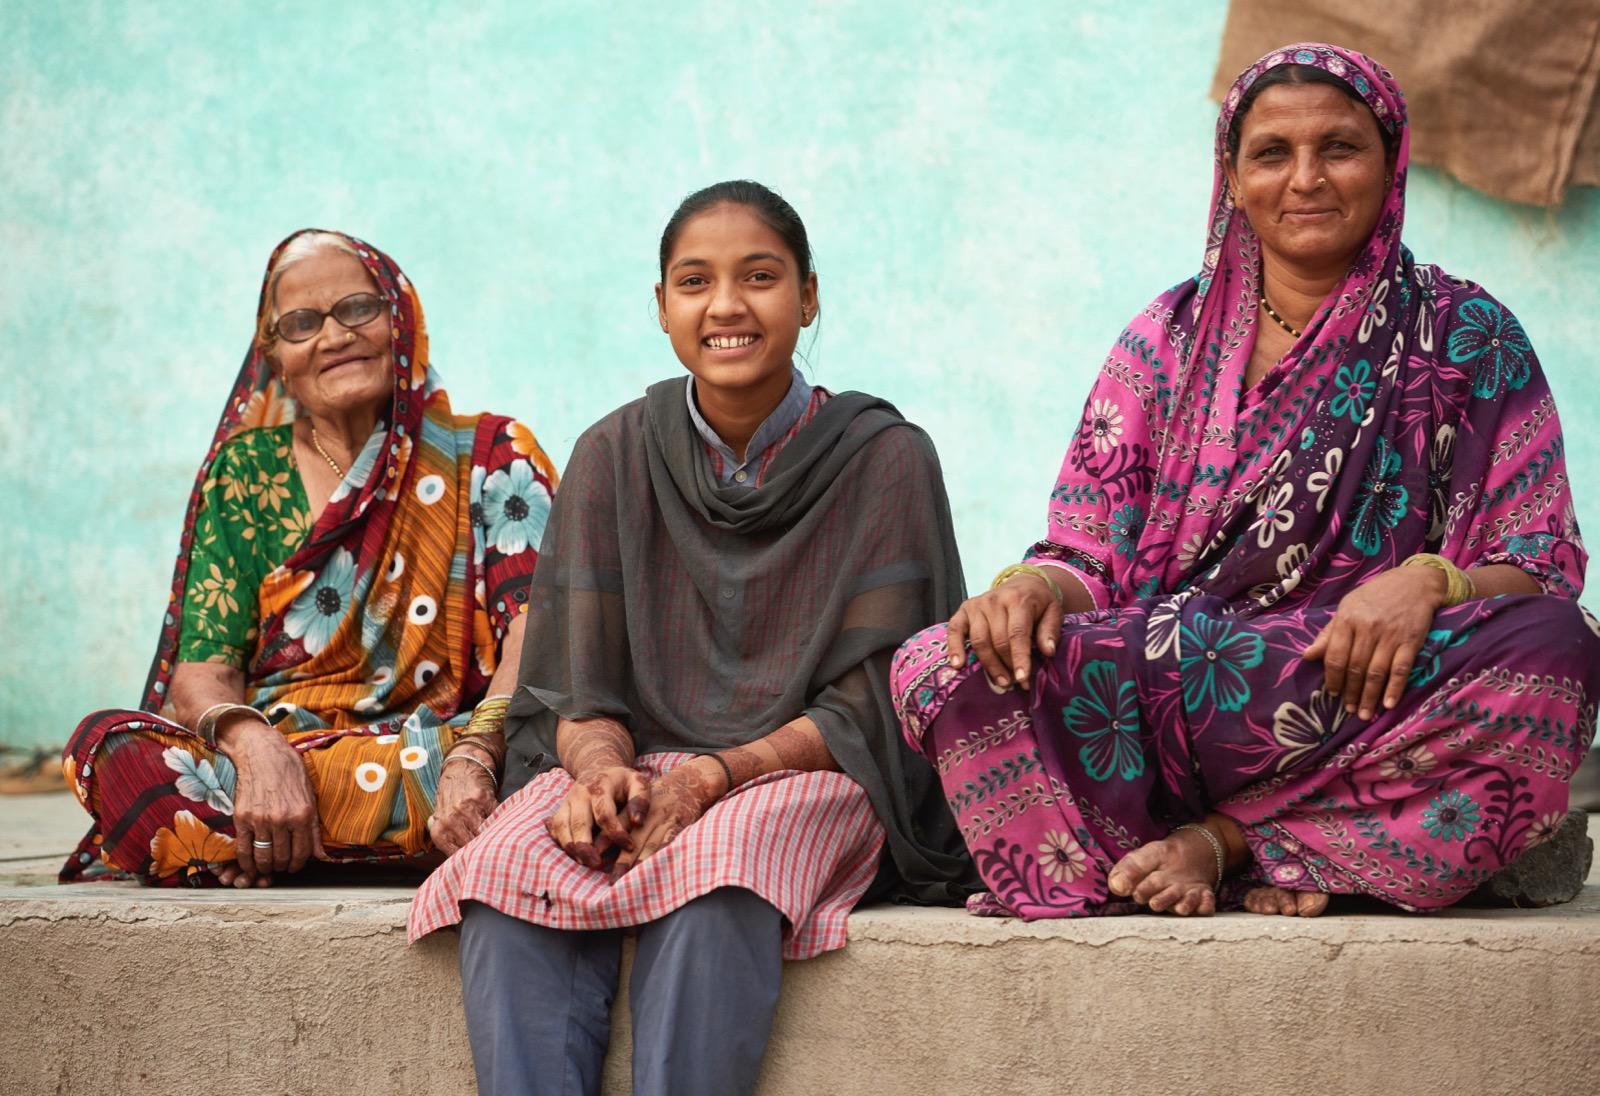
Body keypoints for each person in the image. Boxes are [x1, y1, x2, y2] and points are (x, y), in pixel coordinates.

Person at [893, 43, 1599, 920]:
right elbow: (1085, 547)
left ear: (1391, 161)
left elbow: (1536, 559)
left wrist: (1428, 581)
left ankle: (1226, 843)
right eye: (1272, 153)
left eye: (1339, 148)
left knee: (1555, 647)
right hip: (1171, 687)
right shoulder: (1165, 339)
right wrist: (1031, 589)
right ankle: (1267, 849)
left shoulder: (1468, 335)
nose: (1305, 179)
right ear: (1230, 175)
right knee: (939, 665)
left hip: (1362, 689)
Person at [409, 180, 975, 1095]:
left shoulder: (884, 457)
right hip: (631, 765)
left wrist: (715, 777)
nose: (726, 306)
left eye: (760, 276)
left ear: (810, 297)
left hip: (802, 772)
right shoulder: (613, 452)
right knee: (508, 876)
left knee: (716, 878)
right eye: (693, 281)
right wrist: (598, 774)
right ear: (662, 307)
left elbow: (875, 702)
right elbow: (575, 686)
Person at [60, 230, 557, 888]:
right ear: (275, 356)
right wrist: (254, 745)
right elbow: (203, 669)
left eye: (358, 308)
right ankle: (419, 836)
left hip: (449, 746)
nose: (334, 335)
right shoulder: (244, 474)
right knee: (104, 749)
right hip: (280, 756)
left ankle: (262, 844)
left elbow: (540, 625)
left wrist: (476, 751)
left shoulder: (492, 452)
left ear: (400, 317)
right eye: (301, 324)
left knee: (557, 755)